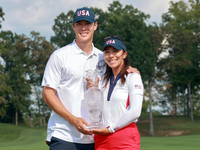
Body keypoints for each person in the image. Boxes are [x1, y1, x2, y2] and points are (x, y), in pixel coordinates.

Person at [42, 7, 140, 150]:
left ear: (95, 25)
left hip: (95, 138)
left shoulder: (104, 58)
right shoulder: (59, 56)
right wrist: (73, 120)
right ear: (73, 26)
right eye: (79, 24)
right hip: (64, 134)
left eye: (87, 24)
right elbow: (47, 94)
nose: (83, 28)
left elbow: (119, 76)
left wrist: (132, 71)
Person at [90, 35, 144, 150]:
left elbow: (135, 111)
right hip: (102, 139)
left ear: (124, 54)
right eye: (107, 52)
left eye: (115, 51)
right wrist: (92, 90)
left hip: (125, 139)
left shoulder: (133, 77)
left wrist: (110, 129)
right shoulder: (102, 80)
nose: (111, 56)